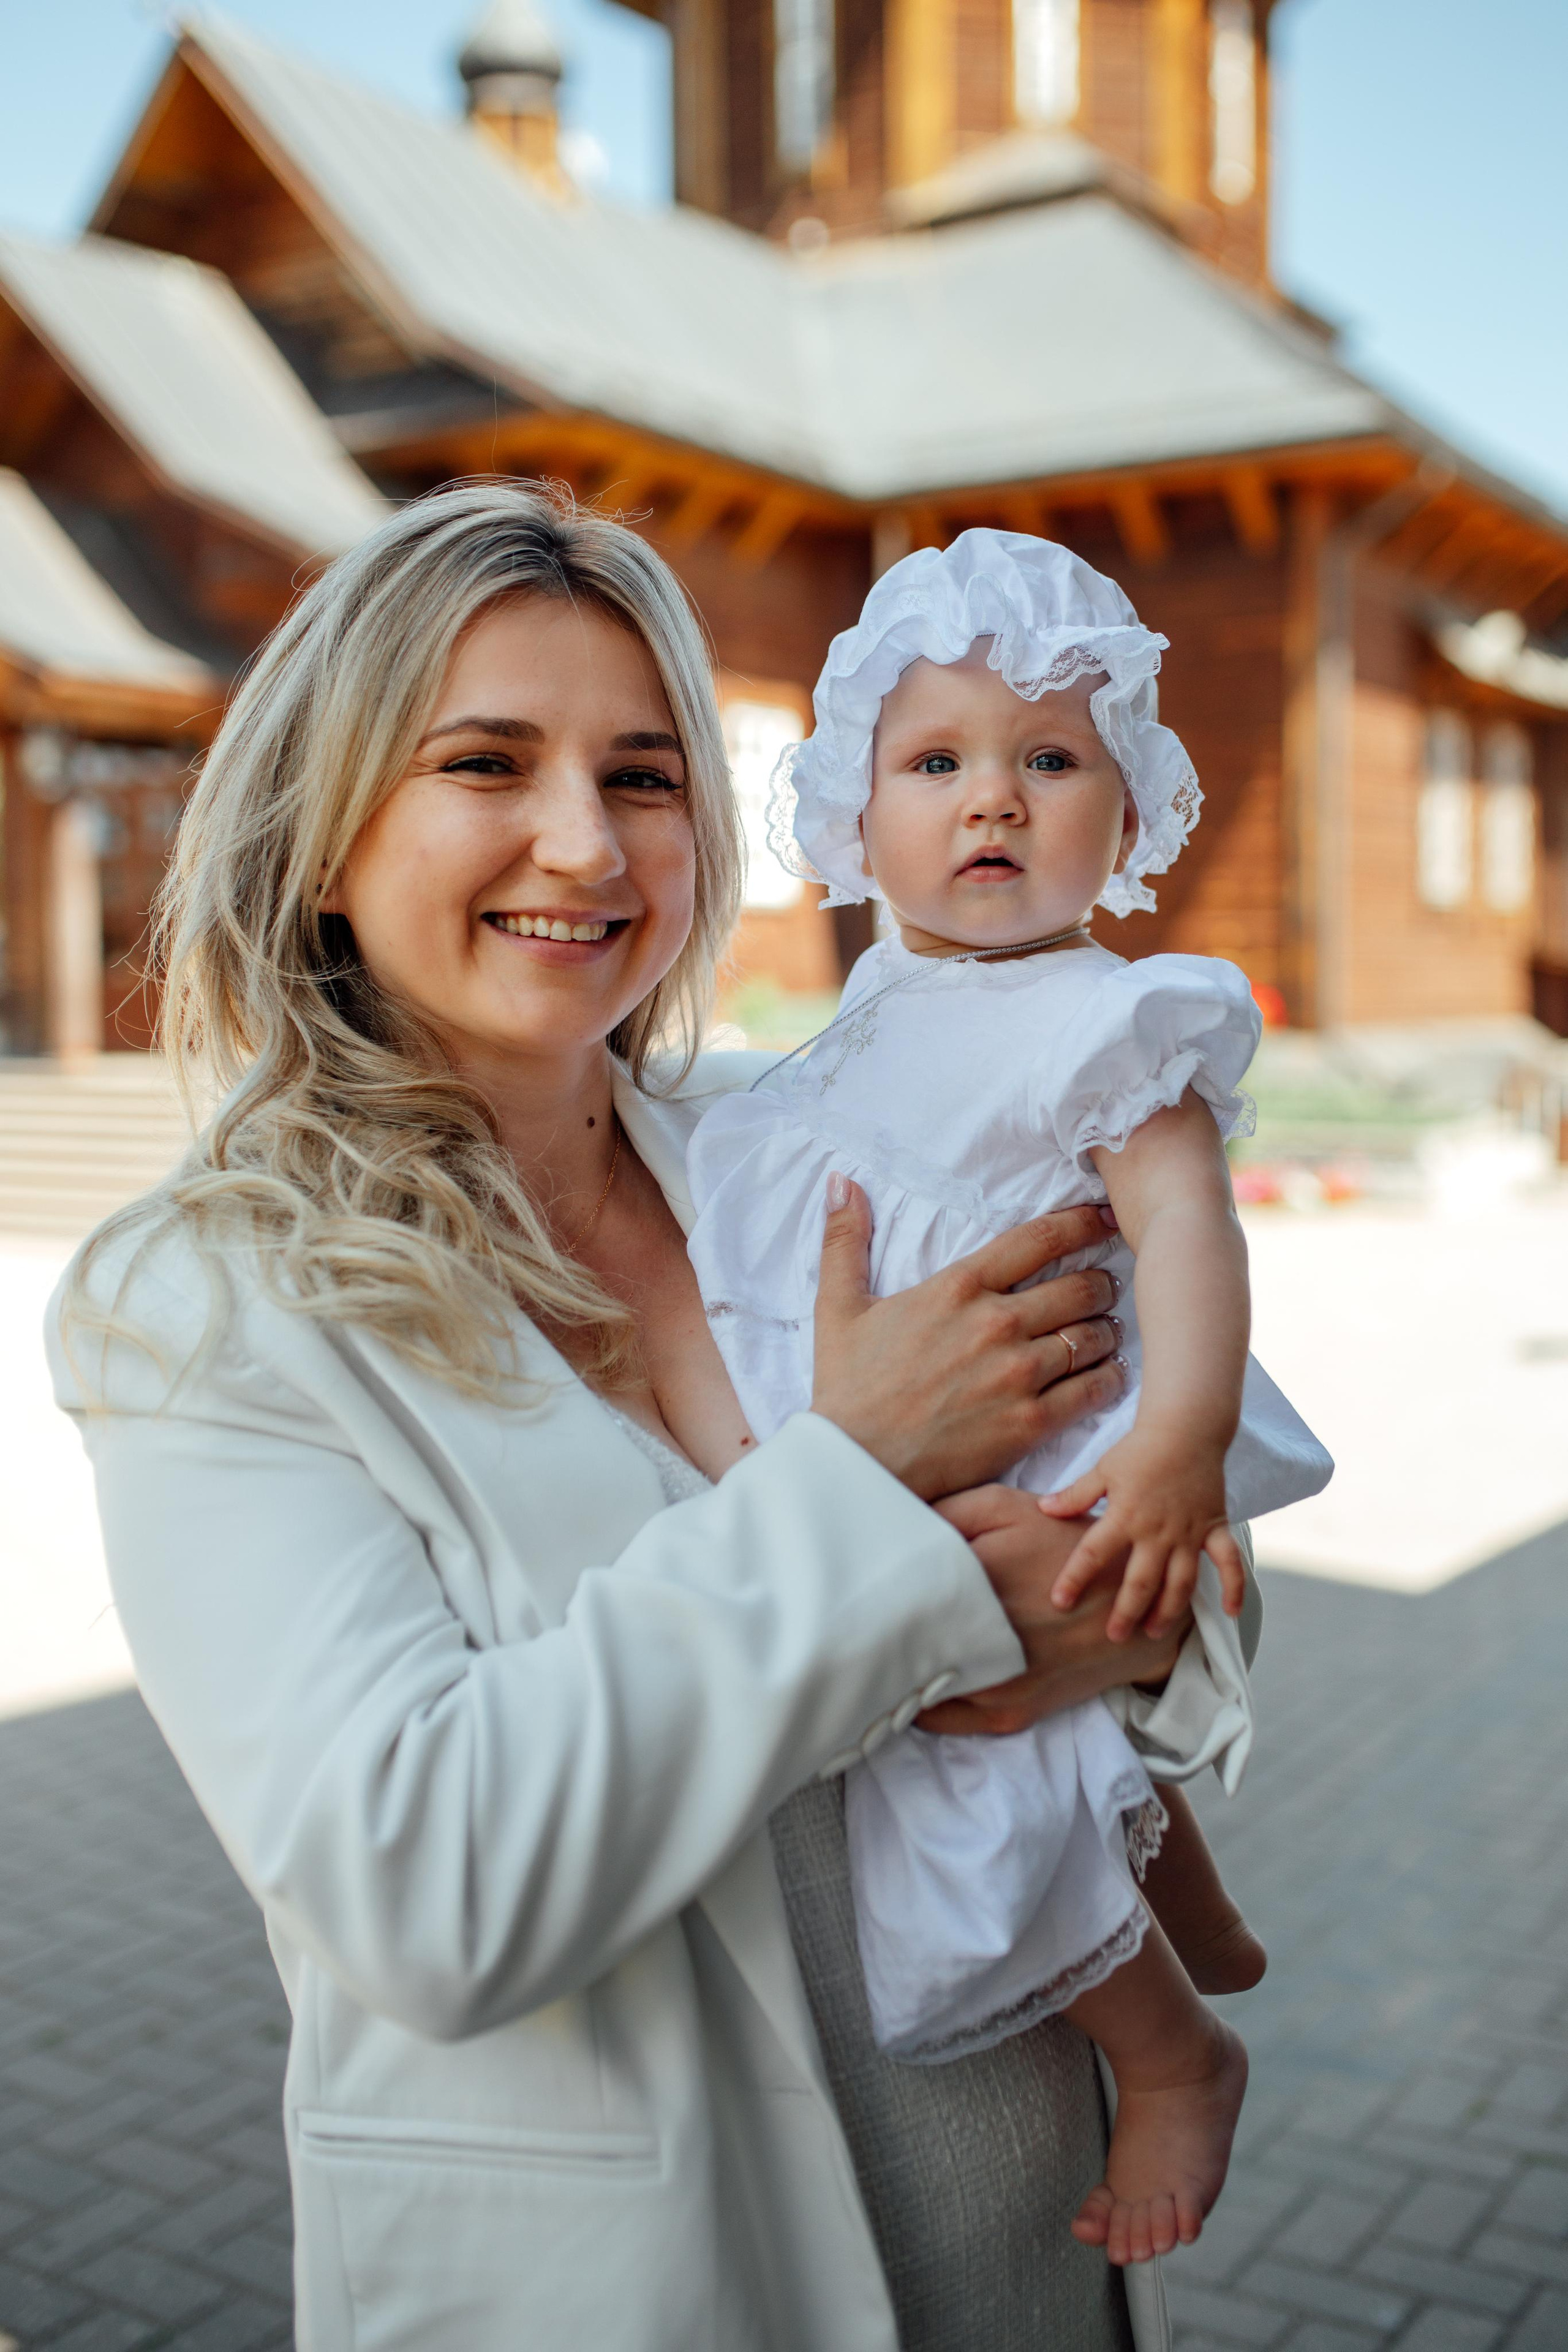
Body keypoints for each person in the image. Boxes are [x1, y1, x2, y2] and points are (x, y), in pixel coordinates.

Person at [49, 483, 1263, 2352]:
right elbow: (432, 1888)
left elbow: (1176, 1510)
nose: (584, 841)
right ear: (321, 832)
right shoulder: (201, 1304)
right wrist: (861, 1495)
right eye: (485, 762)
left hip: (1033, 2226)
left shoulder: (807, 1150)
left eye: (643, 777)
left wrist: (1143, 1615)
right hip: (651, 2286)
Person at [687, 529, 1333, 2268]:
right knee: (1033, 1732)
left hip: (1061, 1454)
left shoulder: (1106, 1020)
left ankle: (1175, 2053)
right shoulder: (863, 1016)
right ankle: (1200, 1917)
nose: (993, 799)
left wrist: (1183, 1442)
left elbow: (1186, 1230)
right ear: (852, 810)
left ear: (1128, 814)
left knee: (980, 1778)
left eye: (1051, 759)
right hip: (913, 1451)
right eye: (936, 764)